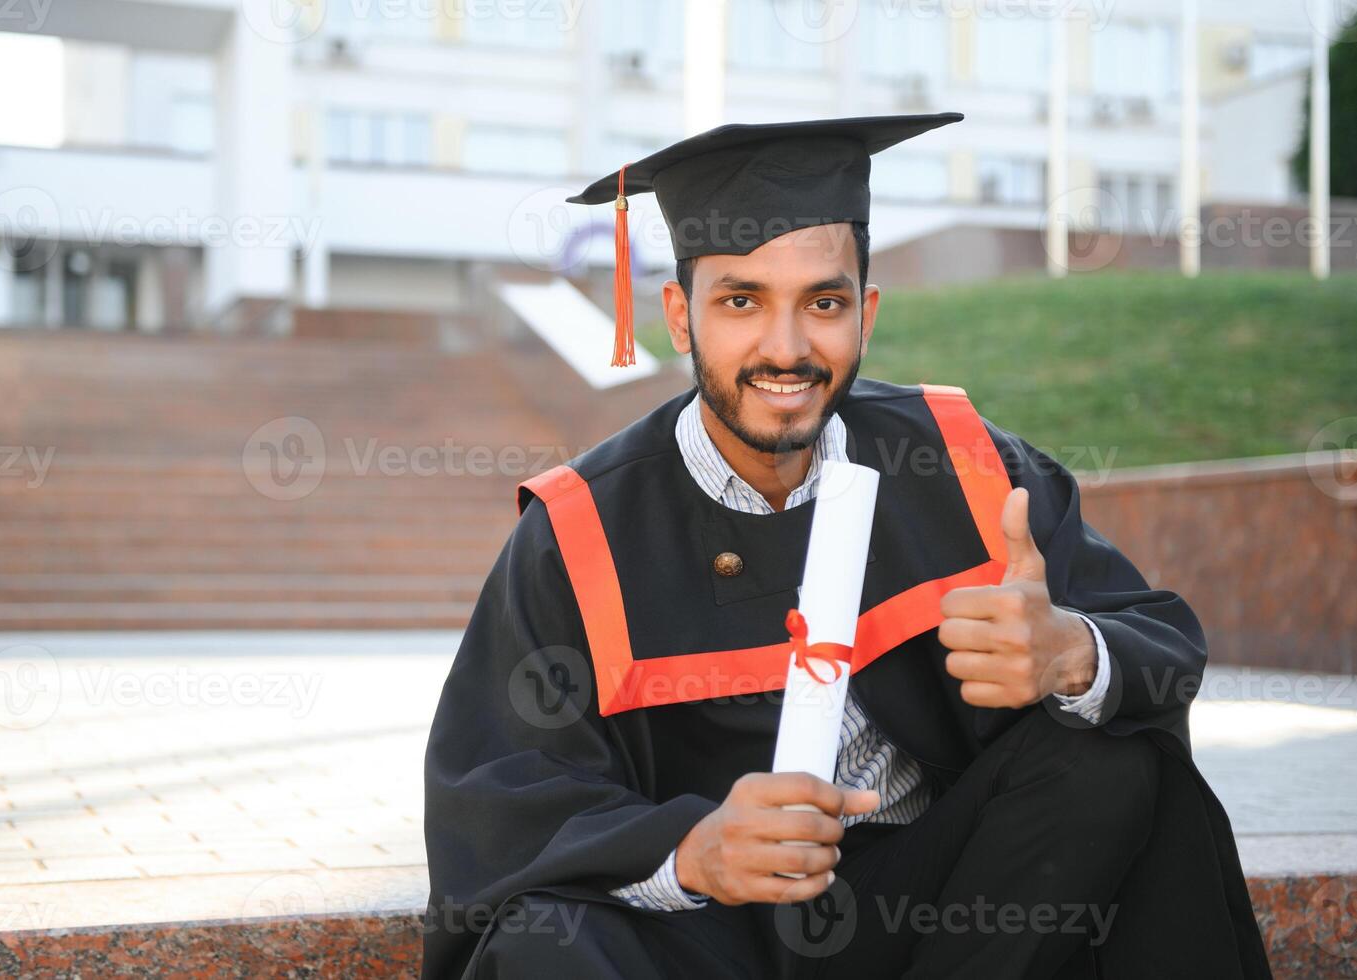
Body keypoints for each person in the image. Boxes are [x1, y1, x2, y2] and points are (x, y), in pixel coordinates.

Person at [422, 114, 1271, 979]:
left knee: (1112, 759)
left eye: (822, 303)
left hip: (937, 913)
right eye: (740, 300)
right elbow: (502, 795)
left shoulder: (962, 462)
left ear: (864, 311)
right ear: (679, 315)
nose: (785, 349)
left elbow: (1156, 638)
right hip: (704, 932)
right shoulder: (579, 531)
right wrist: (694, 849)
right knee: (542, 943)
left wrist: (1066, 654)